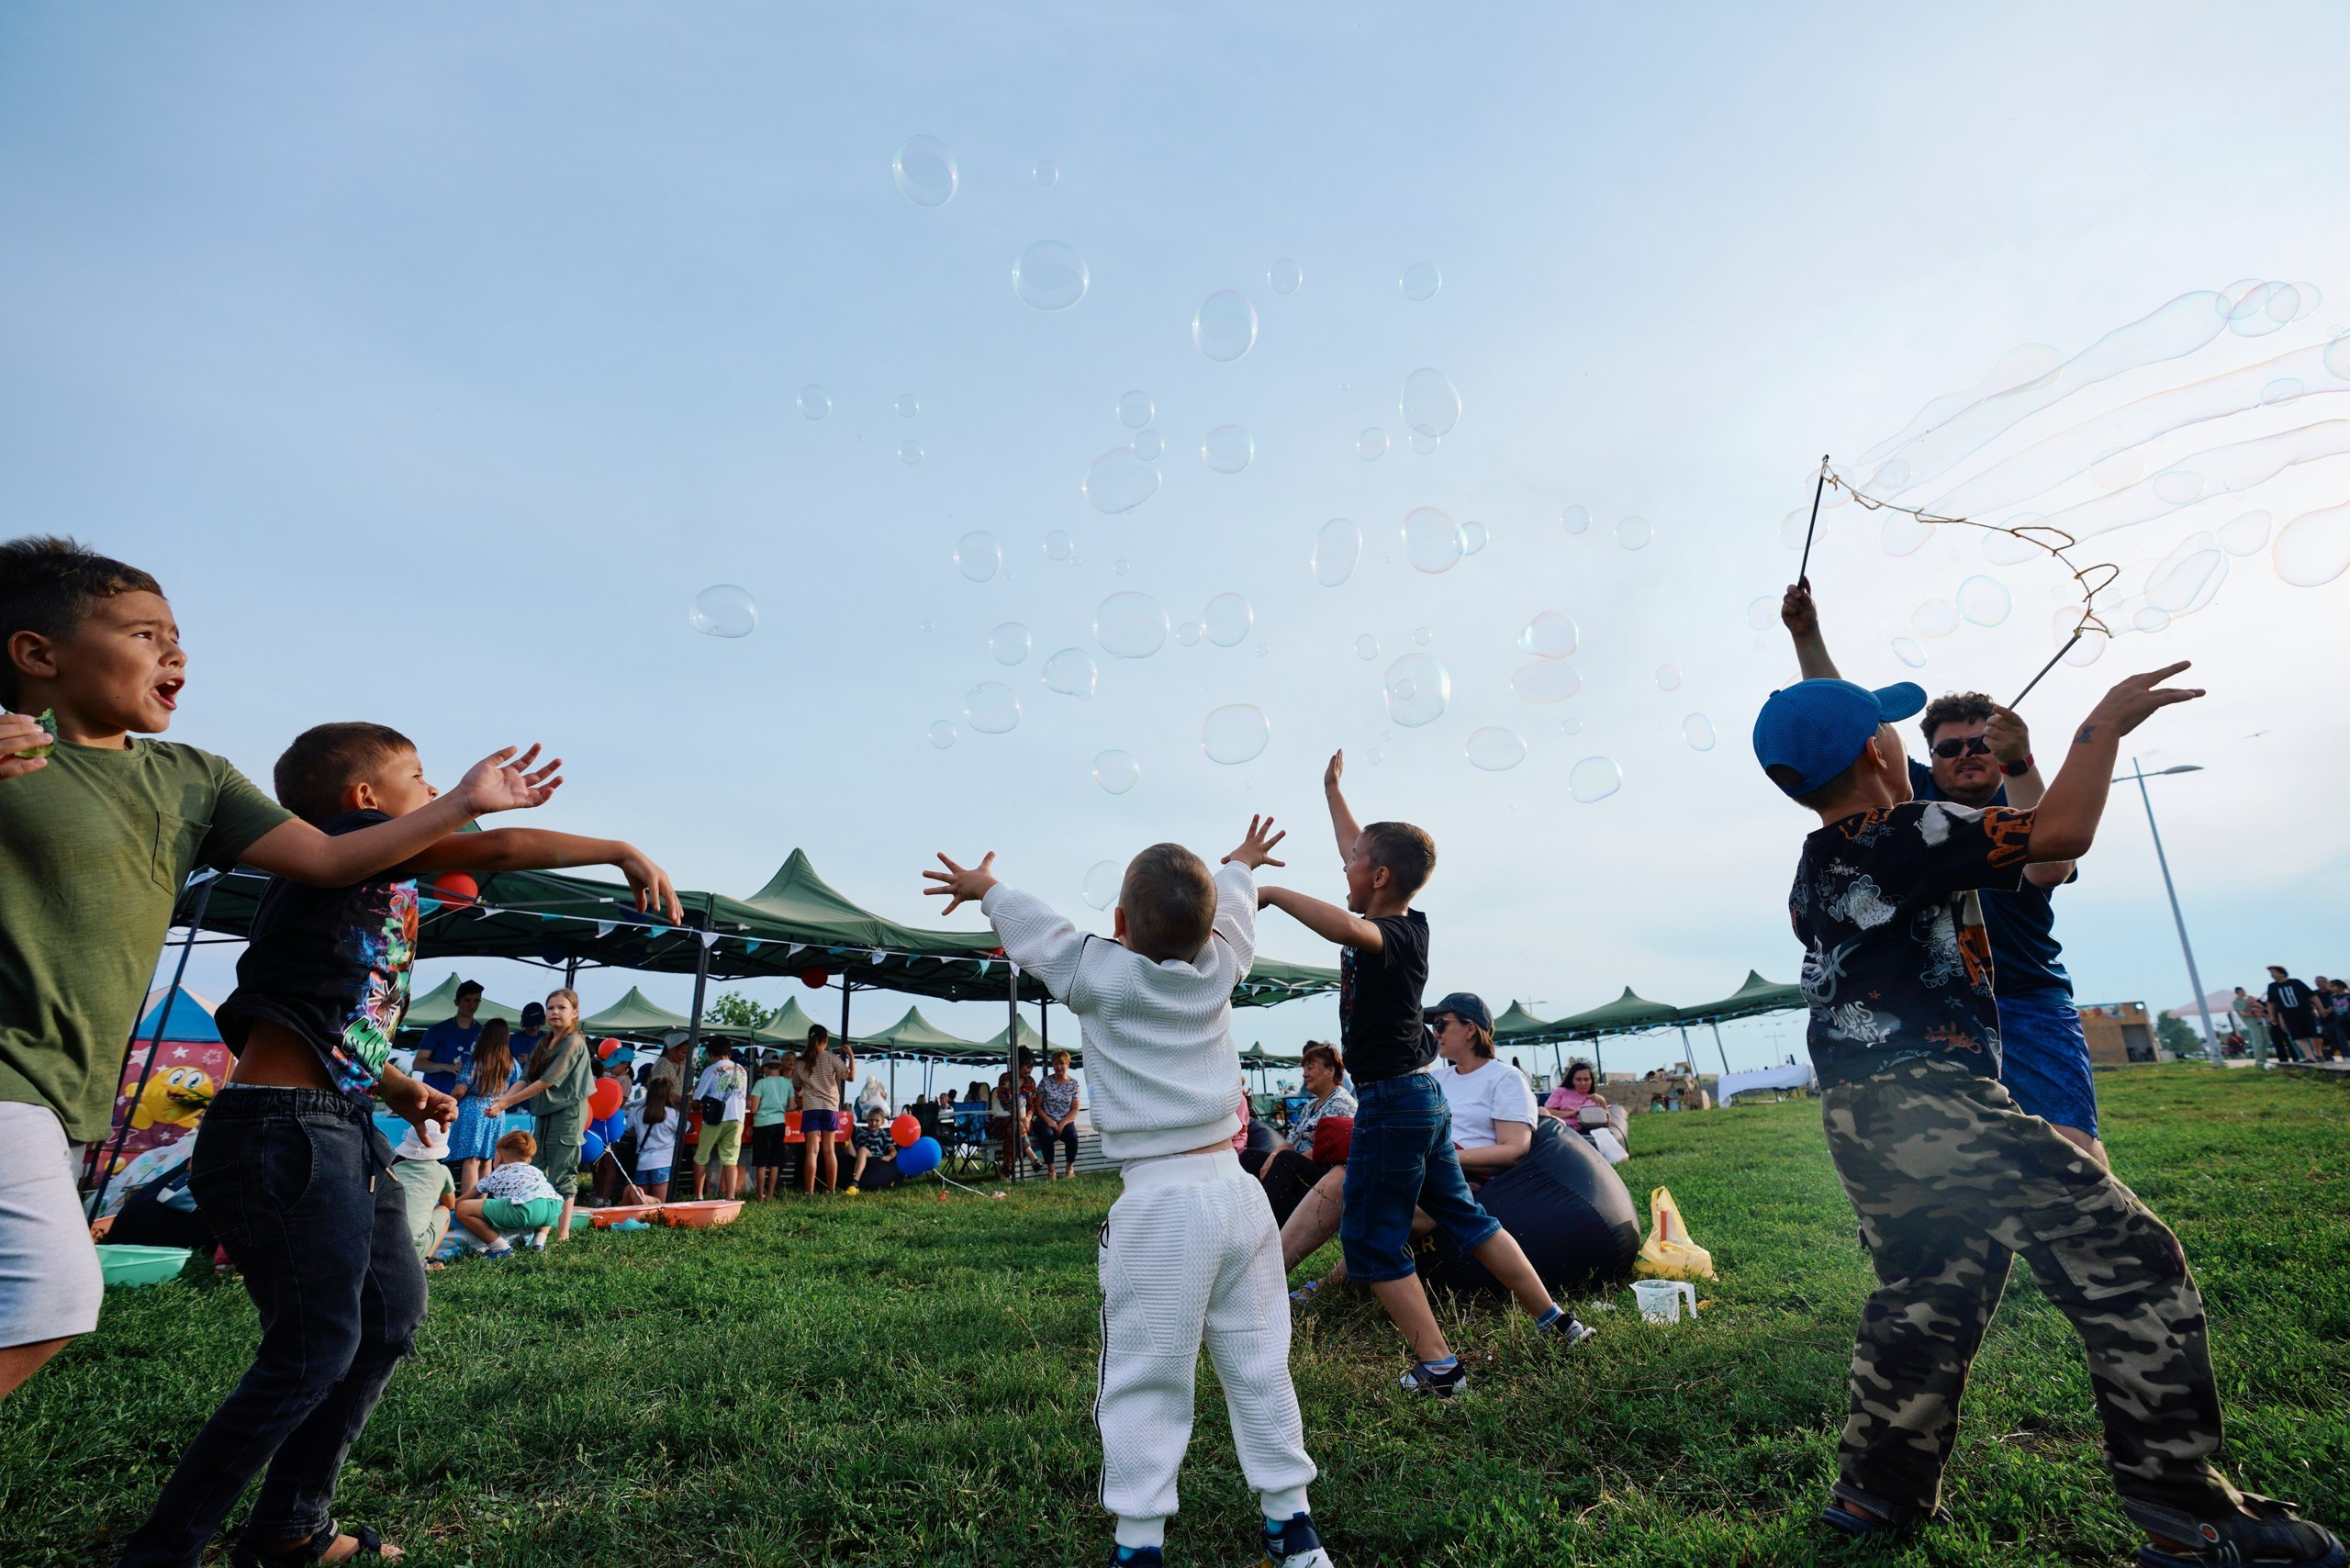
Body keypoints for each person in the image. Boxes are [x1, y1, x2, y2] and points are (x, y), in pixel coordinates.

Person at [1755, 662, 2342, 1563]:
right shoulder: (1912, 829)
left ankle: (1875, 1495)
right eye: (1890, 732)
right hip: (1937, 1101)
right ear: (1883, 750)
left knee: (1928, 1291)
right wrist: (2101, 722)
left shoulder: (1820, 860)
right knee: (2134, 1260)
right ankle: (2183, 1512)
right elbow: (2060, 832)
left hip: (1858, 1117)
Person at [0, 538, 567, 1407]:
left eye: (176, 634)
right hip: (19, 1081)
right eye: (145, 634)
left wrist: (460, 800)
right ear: (37, 654)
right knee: (52, 1298)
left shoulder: (196, 779)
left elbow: (332, 860)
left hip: (65, 1087)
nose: (176, 652)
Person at [110, 718, 677, 1568]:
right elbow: (498, 847)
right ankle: (161, 1552)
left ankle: (289, 1529)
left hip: (329, 1125)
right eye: (421, 777)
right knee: (314, 1347)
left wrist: (400, 1085)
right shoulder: (348, 840)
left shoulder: (358, 883)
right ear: (367, 799)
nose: (435, 791)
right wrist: (614, 847)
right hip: (281, 1129)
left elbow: (319, 1014)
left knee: (386, 1320)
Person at [925, 819, 1337, 1568]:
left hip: (1161, 1207)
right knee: (1258, 1360)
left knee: (1148, 1375)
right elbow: (1238, 905)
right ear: (1210, 930)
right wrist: (1240, 864)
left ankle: (1140, 1545)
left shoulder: (1099, 973)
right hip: (1239, 1197)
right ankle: (1293, 1525)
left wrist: (987, 890)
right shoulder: (1224, 964)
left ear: (1117, 924)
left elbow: (1038, 932)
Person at [1257, 751, 1593, 1397]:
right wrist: (1331, 790)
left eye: (1354, 862)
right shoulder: (1399, 912)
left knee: (1371, 1240)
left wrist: (1270, 892)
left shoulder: (1397, 936)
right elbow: (1360, 856)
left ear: (1379, 876)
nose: (1344, 864)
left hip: (1394, 1103)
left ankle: (1439, 1367)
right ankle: (1556, 1322)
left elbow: (1348, 924)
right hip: (1422, 1101)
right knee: (1466, 1216)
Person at [1781, 584, 2105, 1164]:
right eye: (1950, 747)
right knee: (1965, 1163)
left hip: (2024, 996)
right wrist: (1807, 638)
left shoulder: (2016, 797)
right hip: (1934, 1009)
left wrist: (2021, 761)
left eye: (1983, 743)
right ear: (1925, 758)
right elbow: (1846, 728)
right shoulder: (1912, 803)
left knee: (2072, 1147)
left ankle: (2095, 1246)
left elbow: (2054, 862)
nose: (1967, 754)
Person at [488, 990, 599, 1245]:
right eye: (551, 1007)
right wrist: (503, 1100)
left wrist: (507, 1101)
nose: (555, 1012)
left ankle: (562, 1234)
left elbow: (548, 1081)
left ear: (574, 1014)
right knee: (535, 1167)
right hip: (544, 1112)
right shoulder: (544, 1043)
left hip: (567, 1113)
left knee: (563, 1173)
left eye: (561, 1007)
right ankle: (534, 1229)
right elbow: (526, 1077)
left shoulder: (573, 1042)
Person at [1259, 1043, 1354, 1230]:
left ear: (1330, 1070)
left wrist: (1280, 1164)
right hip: (1297, 1165)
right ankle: (1243, 1218)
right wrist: (1271, 1158)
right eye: (1304, 1068)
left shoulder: (1342, 1103)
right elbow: (1290, 1141)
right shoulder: (1310, 1106)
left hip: (1325, 1170)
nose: (1304, 1074)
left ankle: (1267, 1227)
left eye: (1310, 1068)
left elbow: (1328, 1149)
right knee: (1250, 1157)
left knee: (1286, 1160)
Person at [444, 1130, 566, 1260]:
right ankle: (538, 1244)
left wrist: (447, 1205)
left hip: (526, 1209)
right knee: (541, 1201)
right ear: (529, 1159)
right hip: (554, 1208)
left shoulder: (497, 1173)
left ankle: (500, 1248)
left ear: (500, 1156)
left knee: (464, 1208)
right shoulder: (536, 1171)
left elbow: (464, 1199)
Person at [445, 1018, 520, 1198]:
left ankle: (464, 1203)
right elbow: (519, 1086)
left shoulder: (476, 1061)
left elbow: (460, 1090)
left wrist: (447, 1104)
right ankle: (480, 1205)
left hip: (473, 1109)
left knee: (471, 1160)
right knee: (487, 1160)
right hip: (497, 1110)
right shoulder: (512, 1063)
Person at [787, 1025, 856, 1194]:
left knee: (811, 1151)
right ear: (825, 1041)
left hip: (811, 1108)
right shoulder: (831, 1059)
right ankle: (830, 1189)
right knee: (829, 1150)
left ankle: (808, 1191)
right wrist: (851, 1056)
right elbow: (851, 1077)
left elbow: (796, 1086)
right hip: (829, 1108)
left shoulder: (800, 1062)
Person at [387, 1121, 456, 1264]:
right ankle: (424, 1260)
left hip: (381, 1246)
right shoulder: (441, 1170)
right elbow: (449, 1204)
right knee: (443, 1210)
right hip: (413, 1249)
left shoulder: (394, 1170)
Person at [689, 1040, 749, 1201]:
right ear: (729, 1053)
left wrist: (694, 1105)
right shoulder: (742, 1070)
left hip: (715, 1118)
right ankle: (730, 1197)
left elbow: (697, 1098)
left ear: (711, 1054)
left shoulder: (711, 1069)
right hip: (737, 1118)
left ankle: (698, 1196)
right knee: (730, 1159)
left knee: (701, 1156)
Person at [409, 979, 484, 1104]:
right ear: (456, 1002)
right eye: (467, 1000)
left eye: (476, 1001)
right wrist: (447, 1067)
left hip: (467, 1102)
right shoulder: (437, 1030)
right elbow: (418, 1064)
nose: (472, 1005)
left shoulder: (483, 1033)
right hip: (436, 1098)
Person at [746, 1053, 793, 1198]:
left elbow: (753, 1109)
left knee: (761, 1162)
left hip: (762, 1124)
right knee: (775, 1162)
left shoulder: (761, 1083)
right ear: (779, 1066)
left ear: (765, 1068)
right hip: (779, 1122)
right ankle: (770, 1195)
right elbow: (791, 1106)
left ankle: (760, 1196)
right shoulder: (787, 1083)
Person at [626, 1078, 680, 1202]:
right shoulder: (672, 1114)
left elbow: (627, 1129)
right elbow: (686, 1128)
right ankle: (652, 1211)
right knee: (660, 1205)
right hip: (664, 1162)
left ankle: (642, 1212)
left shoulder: (637, 1112)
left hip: (642, 1163)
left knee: (640, 1202)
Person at [1032, 1049, 1082, 1179]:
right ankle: (1051, 1170)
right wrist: (1050, 1121)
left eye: (1061, 1064)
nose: (1058, 1067)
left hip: (1065, 1119)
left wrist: (1063, 1124)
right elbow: (1037, 1106)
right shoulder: (1045, 1082)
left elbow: (1075, 1109)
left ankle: (1069, 1168)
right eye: (1055, 1064)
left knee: (1072, 1137)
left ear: (1068, 1065)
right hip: (1046, 1119)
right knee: (1047, 1135)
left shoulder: (1074, 1084)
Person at [2263, 967, 2322, 1065]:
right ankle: (2309, 1056)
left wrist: (2320, 1008)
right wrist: (2272, 1015)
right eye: (2271, 973)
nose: (2272, 975)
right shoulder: (2272, 987)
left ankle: (2318, 1053)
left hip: (2305, 1012)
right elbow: (2271, 1002)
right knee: (2297, 1036)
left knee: (2315, 1033)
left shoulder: (2296, 982)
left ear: (2282, 973)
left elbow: (2311, 995)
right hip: (2289, 1014)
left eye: (2274, 972)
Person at [844, 1106, 904, 1193]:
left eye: (877, 1121)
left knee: (863, 1150)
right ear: (867, 1120)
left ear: (882, 1122)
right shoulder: (860, 1131)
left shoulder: (884, 1134)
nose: (873, 1123)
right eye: (871, 1120)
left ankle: (854, 1183)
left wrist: (889, 1157)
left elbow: (894, 1150)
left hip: (874, 1157)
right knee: (846, 1139)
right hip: (857, 1156)